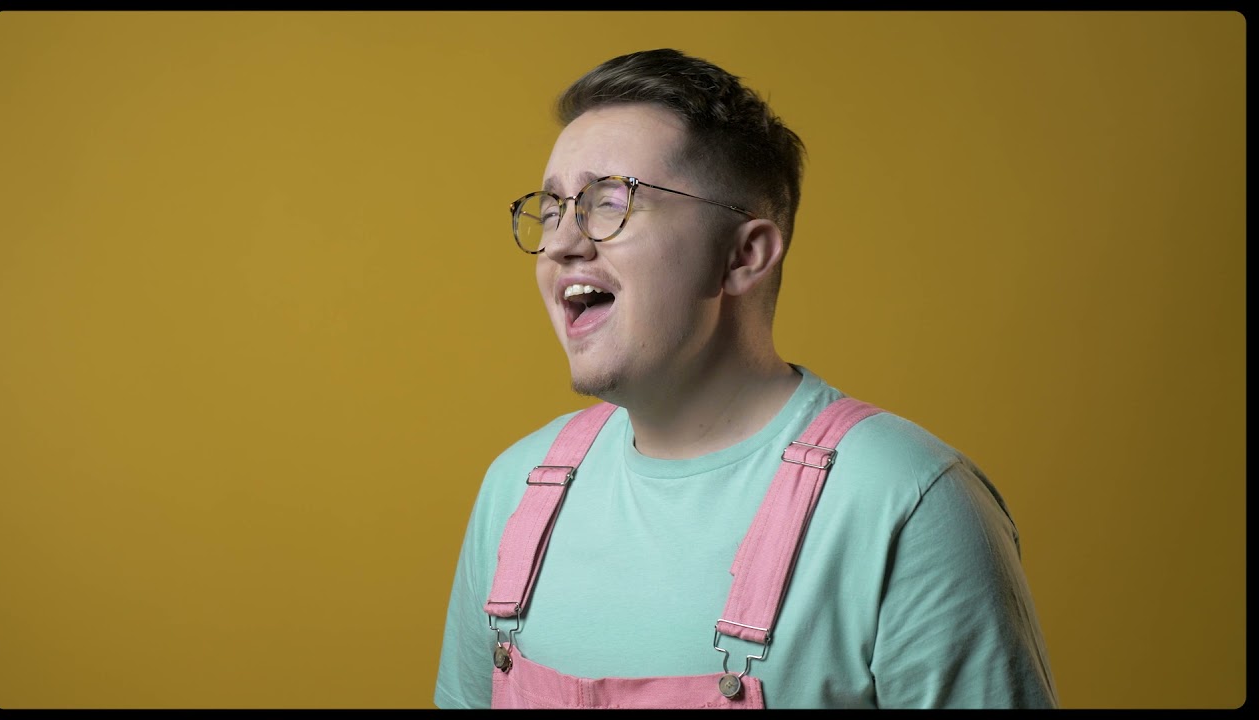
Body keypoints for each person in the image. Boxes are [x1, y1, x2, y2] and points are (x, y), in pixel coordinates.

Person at [433, 47, 1058, 710]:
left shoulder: (908, 505)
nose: (561, 242)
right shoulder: (515, 490)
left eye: (609, 202)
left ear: (743, 256)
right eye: (554, 207)